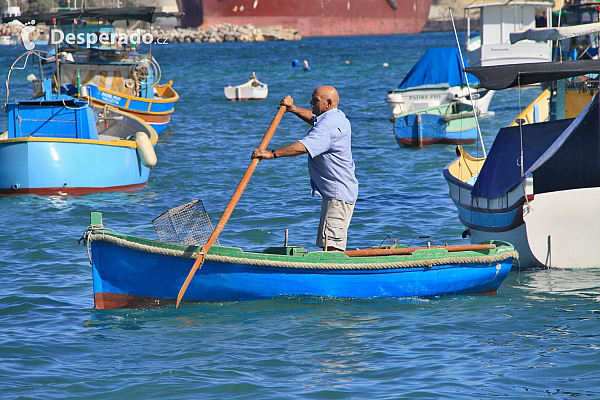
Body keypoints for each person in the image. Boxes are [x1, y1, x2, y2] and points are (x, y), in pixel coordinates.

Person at [251, 86, 358, 251]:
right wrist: (293, 109)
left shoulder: (329, 126)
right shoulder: (335, 116)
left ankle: (330, 274)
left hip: (338, 194)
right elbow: (314, 119)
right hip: (337, 192)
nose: (311, 103)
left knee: (332, 246)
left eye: (315, 100)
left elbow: (303, 147)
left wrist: (271, 154)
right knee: (327, 242)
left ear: (328, 103)